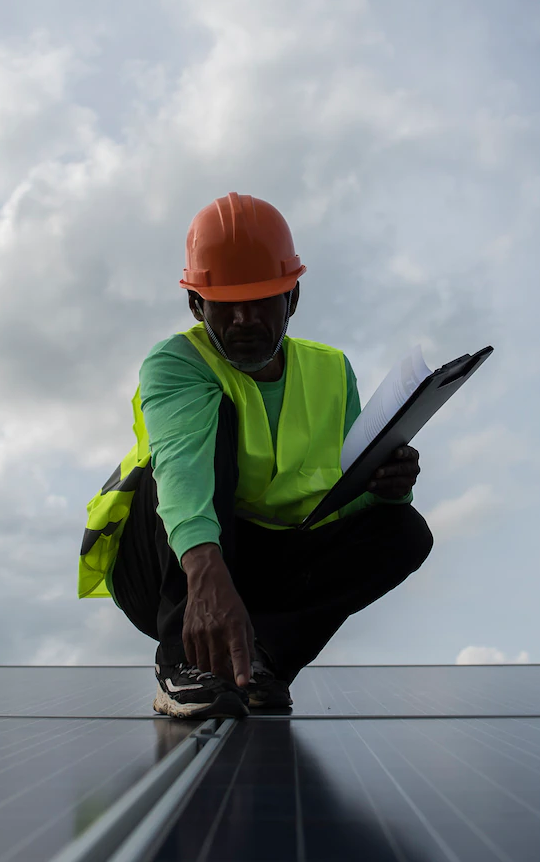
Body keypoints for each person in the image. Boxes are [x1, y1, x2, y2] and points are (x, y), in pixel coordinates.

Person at [79, 192, 434, 719]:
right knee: (205, 435)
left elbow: (339, 503)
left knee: (404, 531)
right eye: (225, 303)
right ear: (197, 306)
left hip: (259, 562)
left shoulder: (332, 371)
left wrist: (390, 484)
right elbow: (179, 474)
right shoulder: (176, 363)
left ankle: (259, 659)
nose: (244, 318)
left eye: (263, 299)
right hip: (162, 563)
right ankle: (184, 663)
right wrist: (204, 574)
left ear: (292, 298)